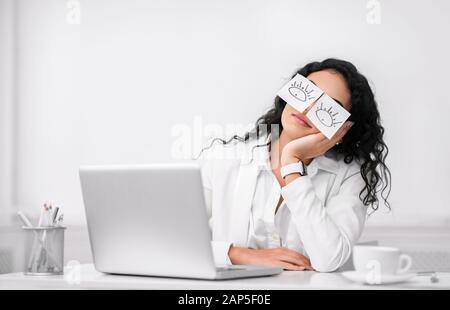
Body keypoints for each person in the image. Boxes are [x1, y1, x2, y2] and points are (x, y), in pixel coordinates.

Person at [199, 58, 391, 272]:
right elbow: (174, 242)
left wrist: (292, 162)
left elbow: (329, 259)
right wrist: (240, 255)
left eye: (329, 108)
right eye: (306, 92)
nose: (308, 107)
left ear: (342, 131)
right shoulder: (222, 158)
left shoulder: (350, 176)